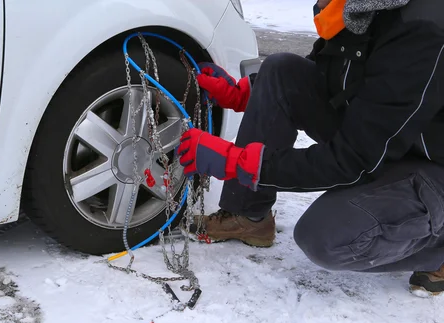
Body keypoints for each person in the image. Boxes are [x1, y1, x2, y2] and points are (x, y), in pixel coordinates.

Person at [177, 0, 444, 295]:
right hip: (390, 137)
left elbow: (353, 160)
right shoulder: (357, 7)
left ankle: (438, 248)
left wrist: (239, 162)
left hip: (431, 164)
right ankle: (248, 216)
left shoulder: (423, 28)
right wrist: (245, 94)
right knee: (280, 70)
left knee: (327, 237)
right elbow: (328, 72)